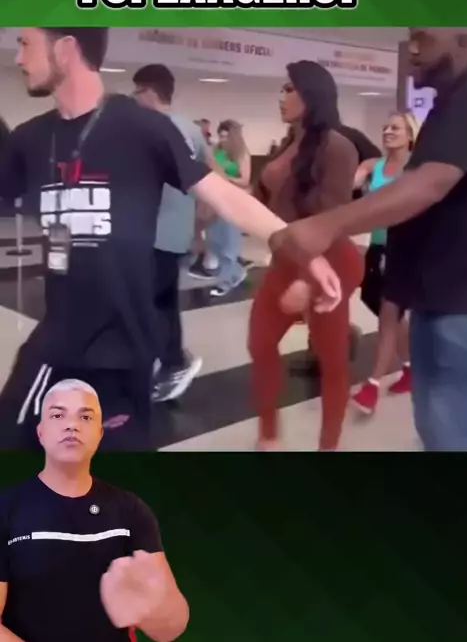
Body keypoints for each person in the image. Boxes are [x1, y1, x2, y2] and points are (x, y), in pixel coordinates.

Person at [0, 27, 340, 451]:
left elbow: (227, 198)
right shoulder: (28, 140)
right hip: (56, 344)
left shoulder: (142, 128)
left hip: (125, 350)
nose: (19, 58)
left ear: (66, 48)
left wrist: (306, 254)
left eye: (26, 43)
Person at [274, 28, 467, 452]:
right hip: (435, 296)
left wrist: (326, 226)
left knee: (452, 429)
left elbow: (430, 184)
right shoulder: (453, 103)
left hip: (462, 303)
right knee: (439, 422)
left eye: (423, 36)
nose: (412, 48)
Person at [0, 379, 188, 642]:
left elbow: (172, 628)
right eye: (58, 415)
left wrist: (151, 611)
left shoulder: (130, 510)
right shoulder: (7, 509)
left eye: (85, 417)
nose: (72, 425)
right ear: (40, 432)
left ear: (99, 434)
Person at [249, 61, 365, 451]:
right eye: (281, 89)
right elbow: (264, 202)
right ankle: (268, 434)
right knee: (259, 344)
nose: (281, 96)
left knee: (332, 361)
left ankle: (328, 446)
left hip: (328, 264)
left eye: (290, 89)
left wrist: (306, 280)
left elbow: (332, 221)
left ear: (312, 95)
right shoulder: (287, 144)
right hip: (287, 261)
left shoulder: (337, 147)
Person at [132, 63, 214, 402]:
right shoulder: (192, 130)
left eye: (137, 92)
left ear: (149, 91)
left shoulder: (153, 128)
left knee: (148, 302)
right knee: (163, 300)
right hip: (175, 233)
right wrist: (198, 230)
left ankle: (169, 361)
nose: (135, 99)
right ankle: (168, 359)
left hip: (153, 232)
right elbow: (209, 181)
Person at [351, 112, 419, 415]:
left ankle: (372, 386)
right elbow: (352, 189)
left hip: (403, 249)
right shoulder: (373, 166)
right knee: (376, 301)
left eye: (396, 128)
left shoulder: (417, 169)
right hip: (377, 246)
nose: (388, 131)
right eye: (386, 127)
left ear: (410, 135)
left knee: (388, 313)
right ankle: (410, 369)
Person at [207, 120, 252, 297]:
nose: (223, 140)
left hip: (234, 201)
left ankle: (225, 282)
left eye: (226, 136)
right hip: (216, 200)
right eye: (221, 136)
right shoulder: (217, 151)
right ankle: (237, 272)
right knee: (214, 241)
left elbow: (245, 180)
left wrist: (225, 177)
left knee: (229, 243)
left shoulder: (241, 153)